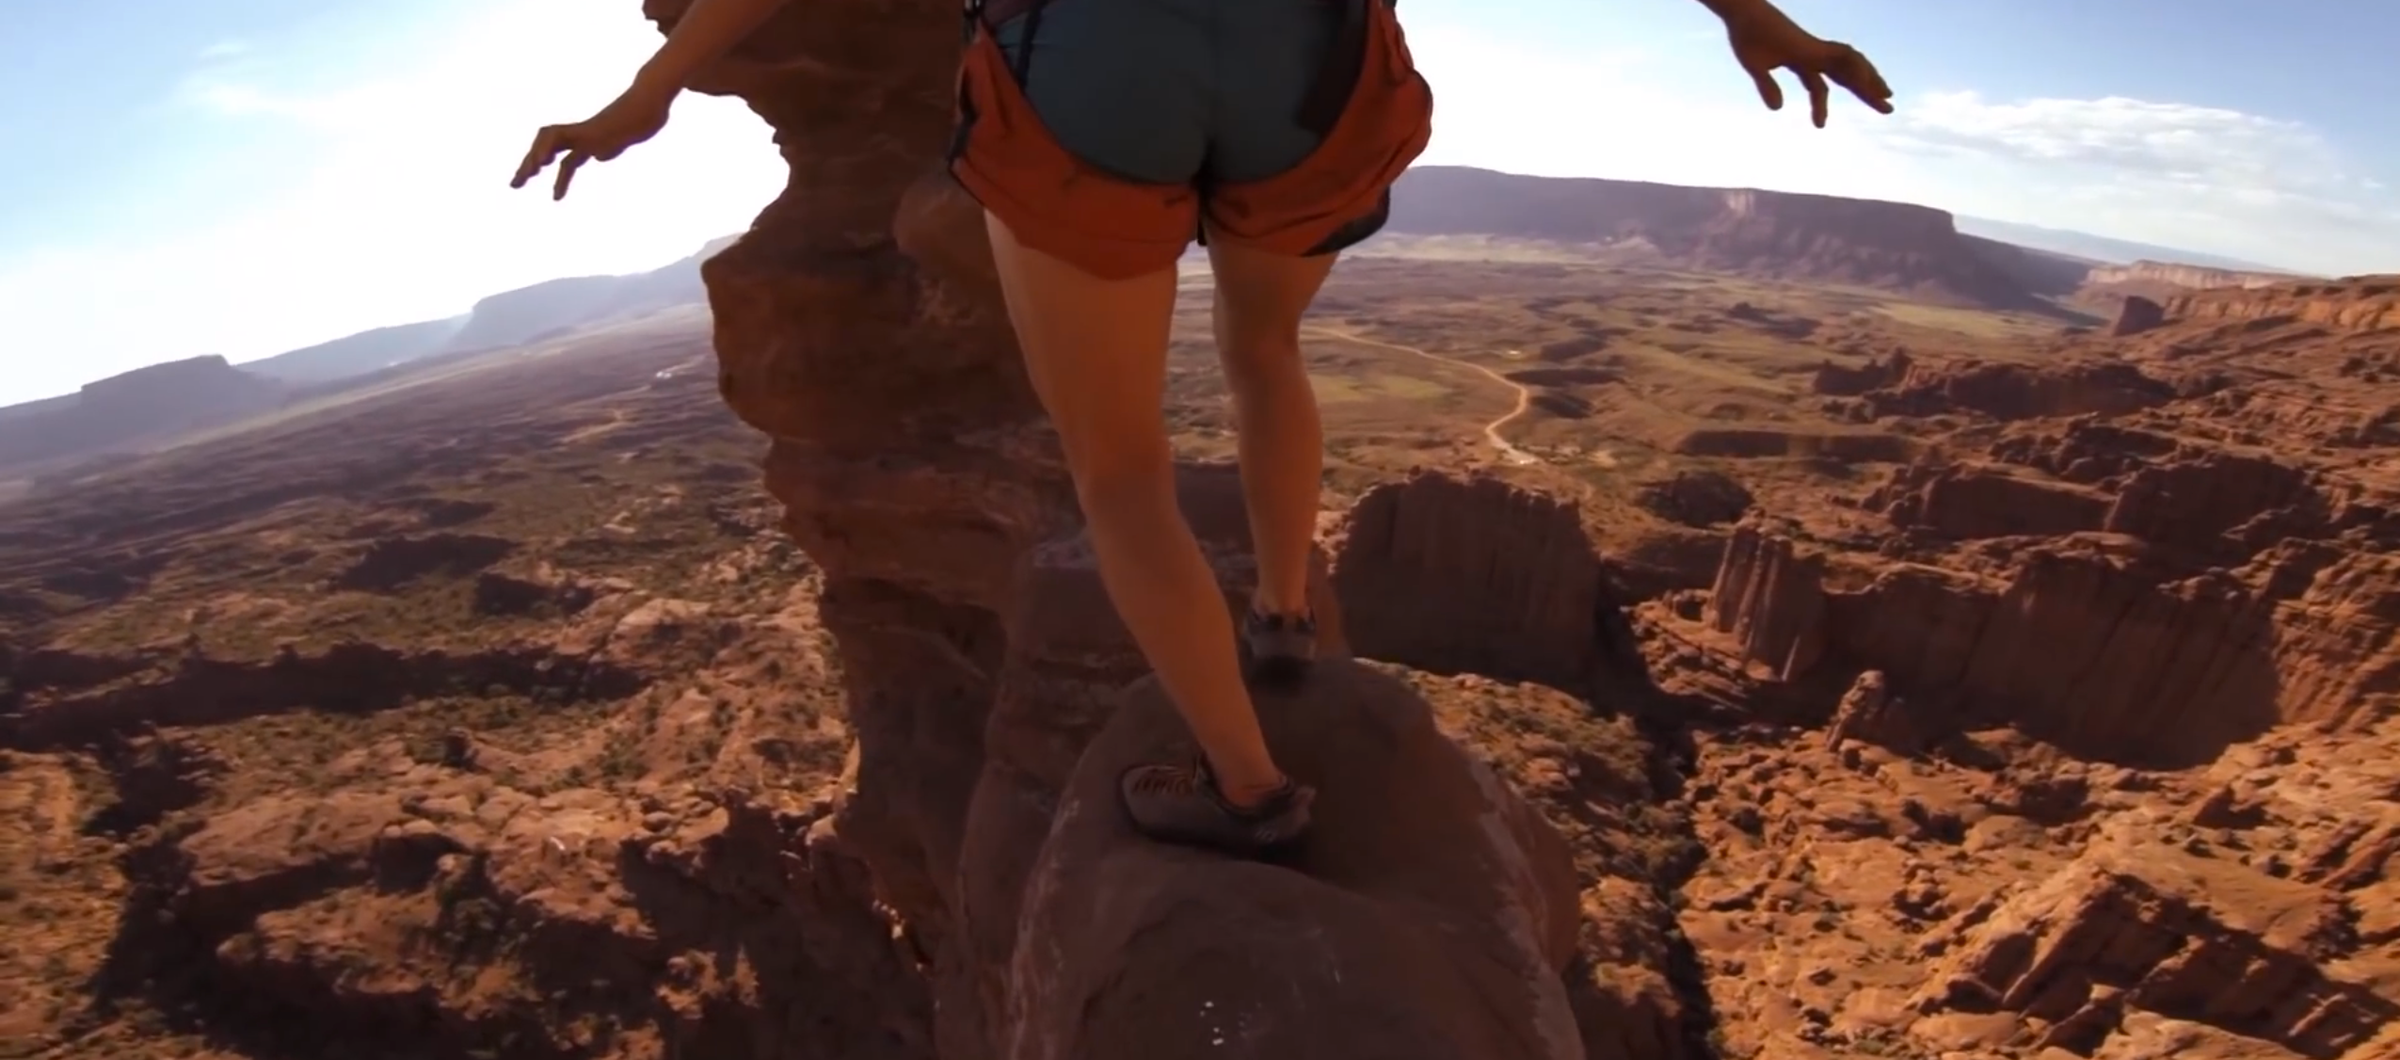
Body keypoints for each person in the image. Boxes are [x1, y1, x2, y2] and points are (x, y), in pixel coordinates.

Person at [513, 0, 1893, 856]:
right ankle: (1288, 616)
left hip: (1096, 71)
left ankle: (1245, 786)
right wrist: (1747, 12)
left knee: (1118, 467)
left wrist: (650, 88)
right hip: (1313, 74)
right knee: (1266, 343)